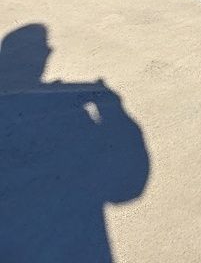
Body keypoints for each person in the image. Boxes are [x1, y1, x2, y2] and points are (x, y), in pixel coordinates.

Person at [0, 24, 149, 263]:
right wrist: (113, 108)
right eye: (43, 47)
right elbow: (127, 188)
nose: (49, 50)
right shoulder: (70, 115)